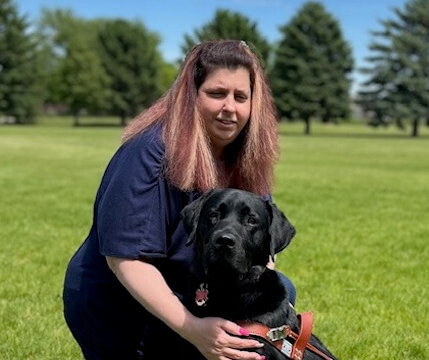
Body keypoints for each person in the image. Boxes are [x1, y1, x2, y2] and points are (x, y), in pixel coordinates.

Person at [63, 39, 296, 360]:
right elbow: (127, 261)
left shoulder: (244, 158)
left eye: (241, 97)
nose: (230, 107)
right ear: (191, 96)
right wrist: (194, 330)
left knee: (279, 290)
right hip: (121, 304)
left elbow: (261, 244)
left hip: (192, 290)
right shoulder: (149, 153)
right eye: (216, 94)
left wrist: (258, 320)